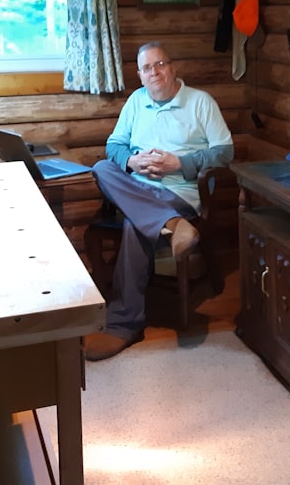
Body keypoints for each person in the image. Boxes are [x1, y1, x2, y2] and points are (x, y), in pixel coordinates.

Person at [84, 42, 234, 361]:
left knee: (133, 225)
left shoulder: (200, 102)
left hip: (177, 192)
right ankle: (170, 226)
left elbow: (224, 151)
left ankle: (124, 325)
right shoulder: (136, 102)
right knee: (102, 168)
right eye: (147, 68)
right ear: (140, 75)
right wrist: (131, 162)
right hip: (137, 187)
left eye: (160, 64)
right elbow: (114, 145)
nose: (155, 72)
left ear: (173, 67)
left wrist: (179, 164)